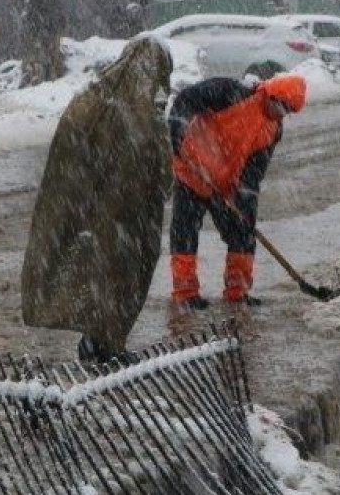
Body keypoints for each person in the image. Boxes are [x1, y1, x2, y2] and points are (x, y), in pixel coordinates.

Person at [21, 37, 174, 363]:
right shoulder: (145, 113)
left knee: (95, 274)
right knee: (122, 281)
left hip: (90, 210)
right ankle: (104, 343)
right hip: (128, 218)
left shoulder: (90, 100)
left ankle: (99, 341)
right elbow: (162, 177)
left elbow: (68, 154)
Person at [167, 73, 307, 309]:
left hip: (224, 185)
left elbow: (254, 172)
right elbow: (184, 102)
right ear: (270, 94)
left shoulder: (272, 130)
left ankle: (237, 292)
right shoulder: (229, 92)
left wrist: (244, 203)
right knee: (185, 233)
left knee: (244, 233)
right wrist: (180, 138)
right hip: (192, 172)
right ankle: (185, 293)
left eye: (287, 112)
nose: (280, 114)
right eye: (280, 107)